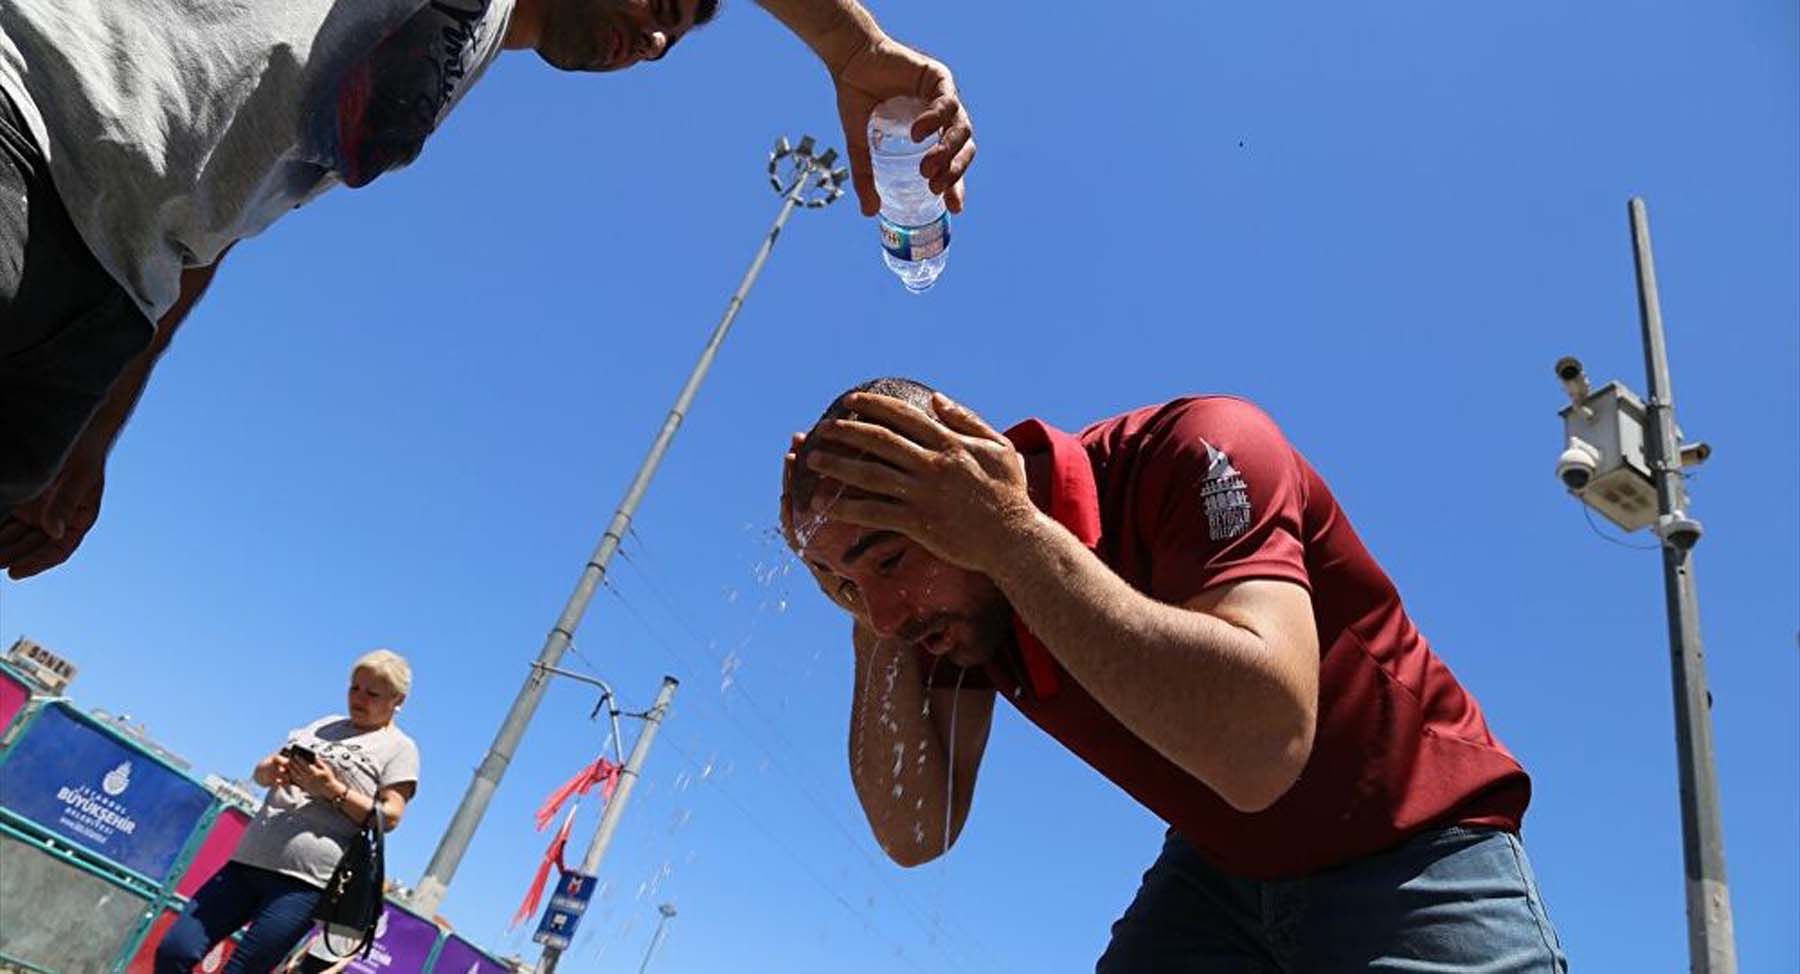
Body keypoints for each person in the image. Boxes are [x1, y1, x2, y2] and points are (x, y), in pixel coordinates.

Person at [0, 0, 976, 579]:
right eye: (665, 3)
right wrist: (853, 49)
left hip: (107, 300)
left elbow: (218, 232)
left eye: (675, 37)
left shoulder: (446, 63)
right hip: (32, 124)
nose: (657, 40)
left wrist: (98, 430)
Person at [781, 378, 1569, 973]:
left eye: (890, 561)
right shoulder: (945, 606)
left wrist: (1013, 539)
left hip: (1415, 844)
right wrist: (865, 614)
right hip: (1225, 865)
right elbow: (914, 830)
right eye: (844, 583)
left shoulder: (1194, 451)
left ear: (969, 478)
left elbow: (1263, 749)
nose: (887, 613)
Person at [156, 651, 422, 974]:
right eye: (355, 688)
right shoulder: (324, 725)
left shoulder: (400, 748)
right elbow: (261, 773)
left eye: (372, 693)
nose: (359, 698)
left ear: (398, 700)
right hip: (249, 861)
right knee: (174, 950)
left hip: (305, 883)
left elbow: (390, 817)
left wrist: (333, 789)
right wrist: (271, 770)